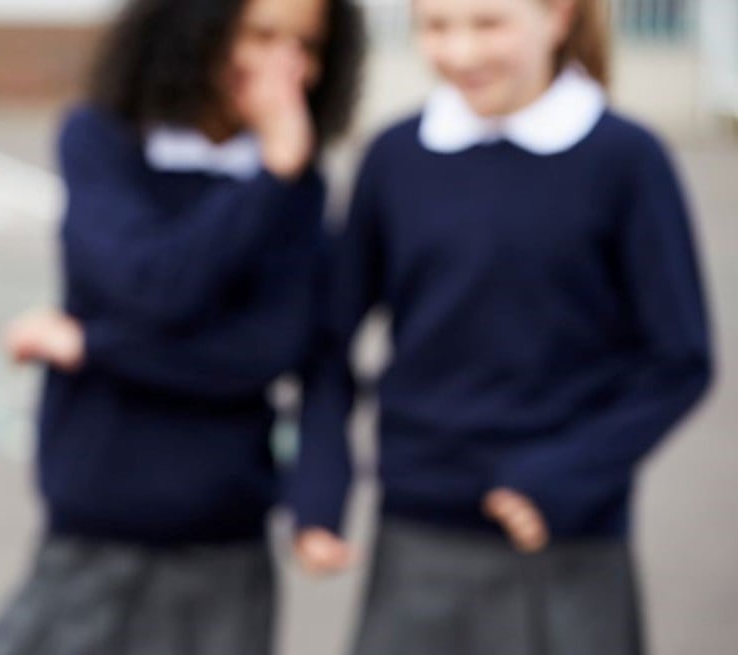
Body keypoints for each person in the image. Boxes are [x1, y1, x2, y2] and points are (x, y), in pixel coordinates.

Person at [290, 1, 713, 653]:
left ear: (558, 17)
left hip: (566, 542)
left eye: (488, 24)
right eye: (436, 27)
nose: (460, 53)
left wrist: (567, 475)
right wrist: (320, 491)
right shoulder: (396, 157)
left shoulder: (626, 159)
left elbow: (681, 359)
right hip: (418, 534)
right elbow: (328, 339)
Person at [0, 0, 364, 653]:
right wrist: (270, 173)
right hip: (92, 529)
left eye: (306, 45)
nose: (285, 66)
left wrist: (90, 344)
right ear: (196, 28)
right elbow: (153, 288)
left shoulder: (298, 186)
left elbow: (266, 352)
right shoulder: (103, 142)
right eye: (263, 35)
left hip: (223, 543)